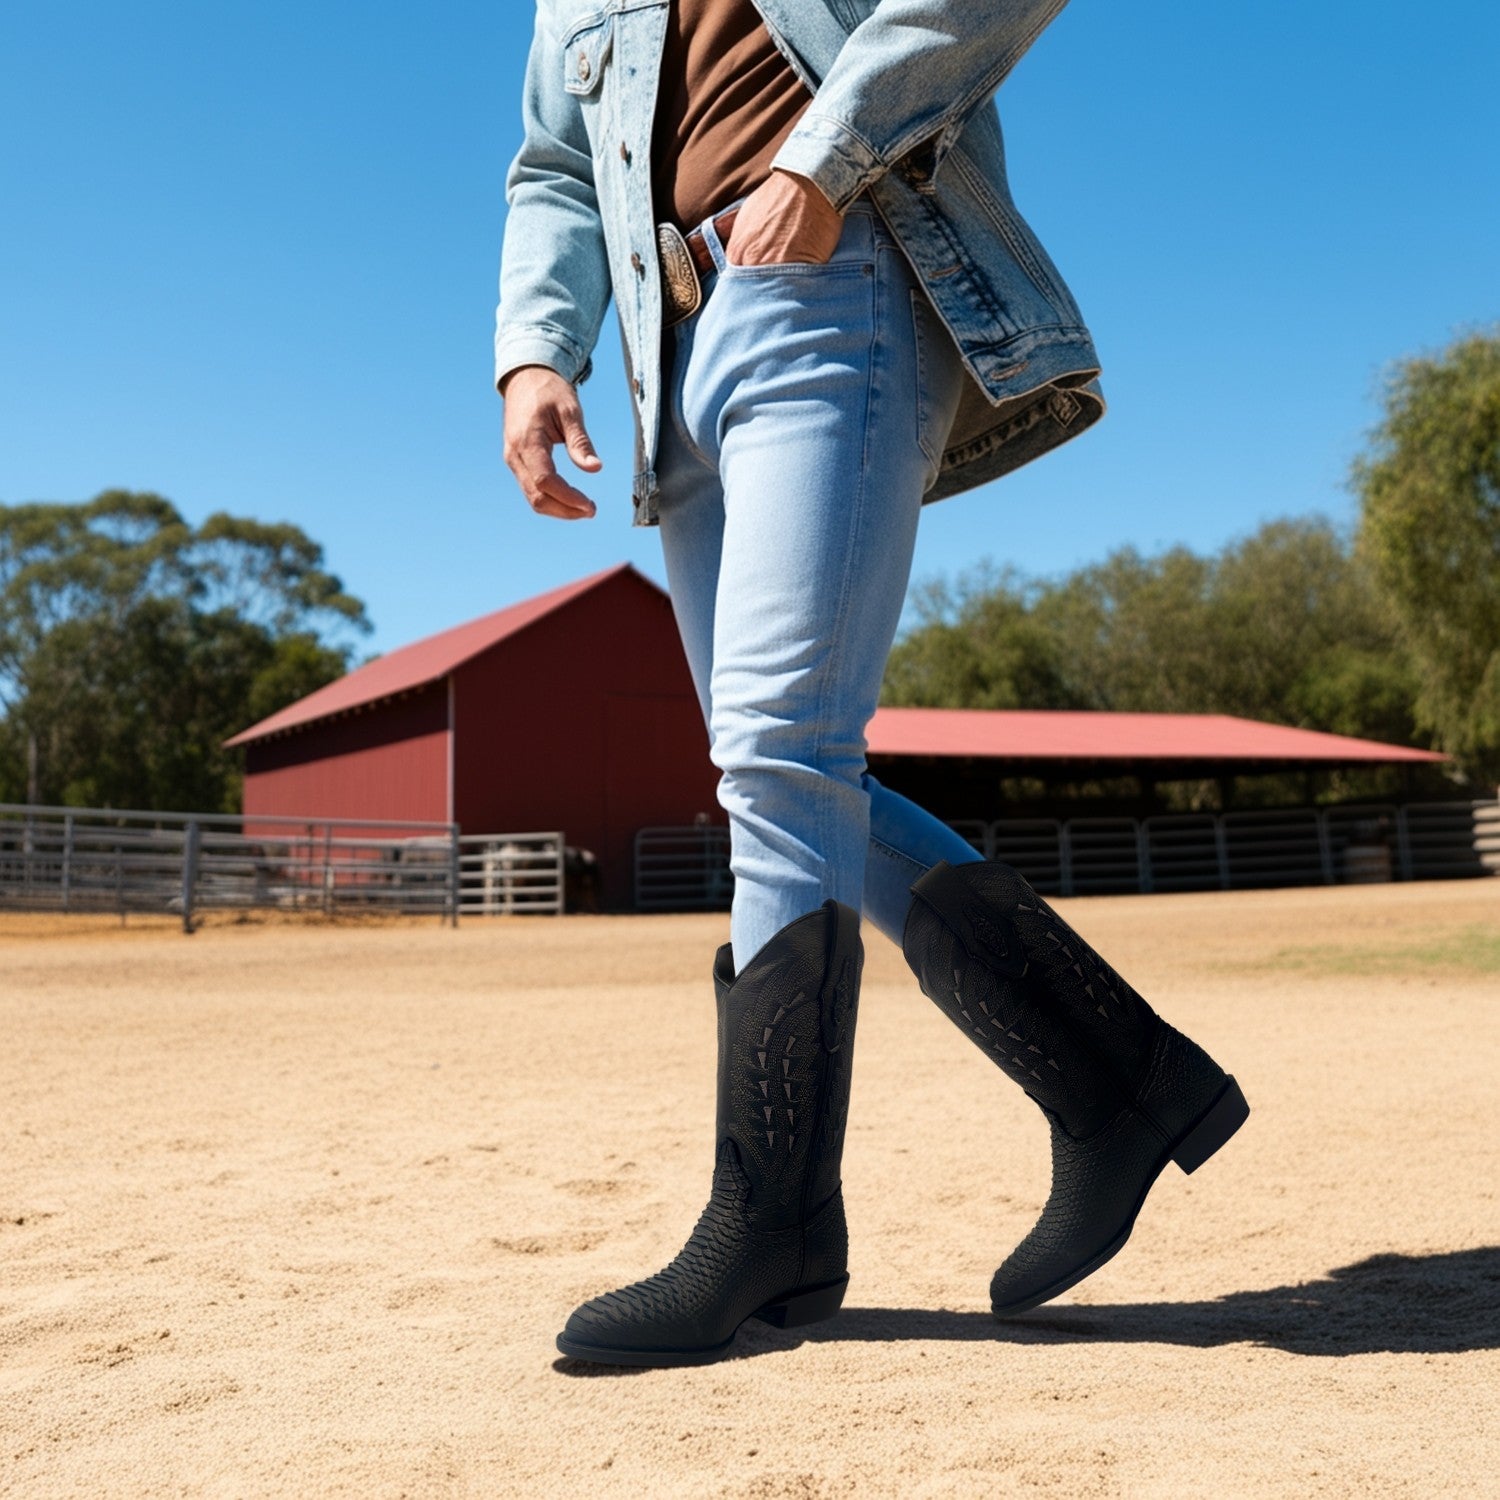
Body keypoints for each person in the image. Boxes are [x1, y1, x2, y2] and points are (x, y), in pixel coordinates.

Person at [497, 0, 1248, 1368]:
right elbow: (554, 163)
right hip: (671, 350)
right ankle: (1117, 1081)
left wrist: (818, 159)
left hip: (830, 268)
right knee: (774, 772)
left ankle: (770, 1226)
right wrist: (539, 350)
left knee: (782, 758)